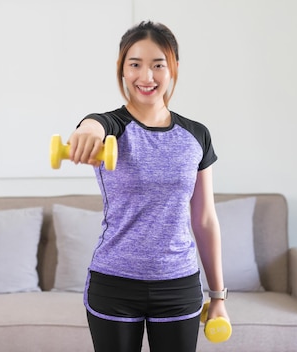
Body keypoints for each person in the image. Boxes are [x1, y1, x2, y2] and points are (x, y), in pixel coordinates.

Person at [66, 21, 229, 352]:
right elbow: (94, 124)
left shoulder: (196, 135)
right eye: (135, 64)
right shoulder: (111, 126)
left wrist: (218, 296)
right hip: (114, 285)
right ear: (121, 69)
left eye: (158, 65)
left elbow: (205, 220)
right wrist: (87, 129)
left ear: (174, 68)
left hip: (178, 285)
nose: (147, 77)